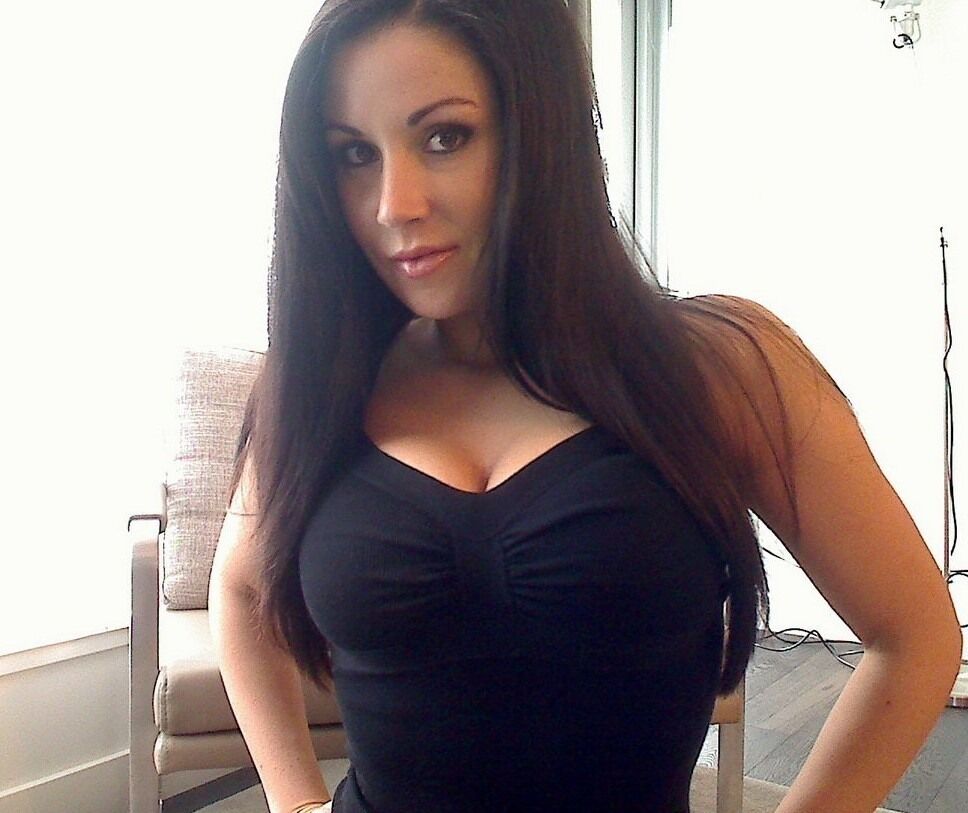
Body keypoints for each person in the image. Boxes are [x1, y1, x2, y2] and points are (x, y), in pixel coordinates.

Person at [208, 1, 963, 812]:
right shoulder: (321, 385)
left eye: (445, 137)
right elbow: (241, 591)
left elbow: (913, 635)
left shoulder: (724, 371)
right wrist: (294, 799)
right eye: (355, 153)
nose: (395, 203)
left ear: (543, 130)